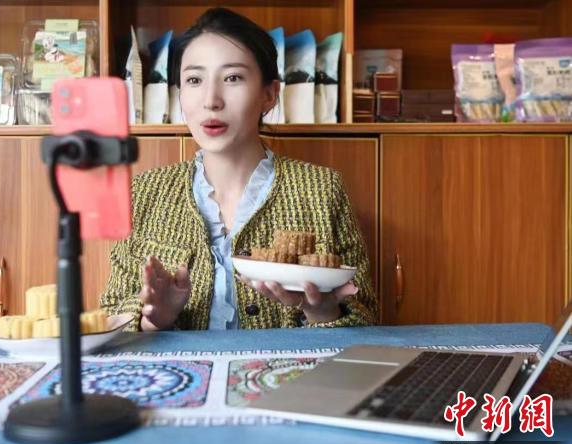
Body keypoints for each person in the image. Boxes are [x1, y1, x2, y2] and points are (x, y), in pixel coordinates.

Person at [100, 7, 378, 331]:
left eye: (233, 78)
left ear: (269, 94)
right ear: (180, 94)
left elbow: (366, 318)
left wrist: (322, 312)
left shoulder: (322, 190)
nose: (211, 100)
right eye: (194, 80)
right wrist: (153, 319)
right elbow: (111, 313)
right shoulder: (144, 192)